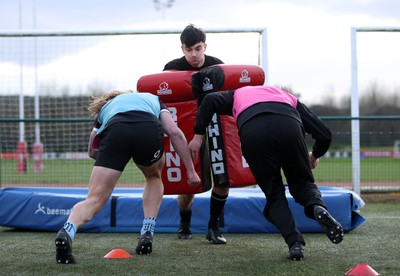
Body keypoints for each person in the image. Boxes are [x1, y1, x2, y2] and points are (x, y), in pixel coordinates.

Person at [188, 85, 344, 260]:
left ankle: (295, 244)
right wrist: (315, 155)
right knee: (302, 183)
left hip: (253, 130)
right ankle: (317, 206)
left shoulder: (238, 94)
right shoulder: (286, 96)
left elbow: (210, 100)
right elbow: (324, 134)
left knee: (274, 193)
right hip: (289, 125)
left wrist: (198, 134)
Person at [54, 90, 201, 264]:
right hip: (147, 127)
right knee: (153, 177)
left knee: (94, 199)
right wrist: (191, 171)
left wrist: (109, 159)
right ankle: (147, 232)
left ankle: (67, 230)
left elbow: (92, 151)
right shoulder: (153, 99)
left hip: (115, 130)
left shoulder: (107, 108)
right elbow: (174, 133)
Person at [163, 24, 228, 244]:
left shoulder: (217, 65)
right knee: (188, 183)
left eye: (198, 48)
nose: (193, 54)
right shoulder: (172, 69)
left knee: (222, 177)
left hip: (215, 127)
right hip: (186, 131)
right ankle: (185, 222)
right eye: (189, 49)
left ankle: (214, 227)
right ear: (182, 48)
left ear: (205, 46)